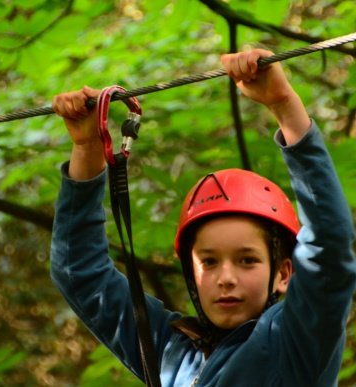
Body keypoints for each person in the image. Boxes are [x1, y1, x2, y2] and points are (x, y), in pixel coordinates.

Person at [50, 49, 356, 386]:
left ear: (284, 272)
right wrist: (87, 149)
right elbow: (78, 272)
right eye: (208, 262)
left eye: (247, 260)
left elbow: (329, 249)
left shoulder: (294, 342)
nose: (225, 277)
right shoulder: (170, 352)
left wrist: (284, 105)